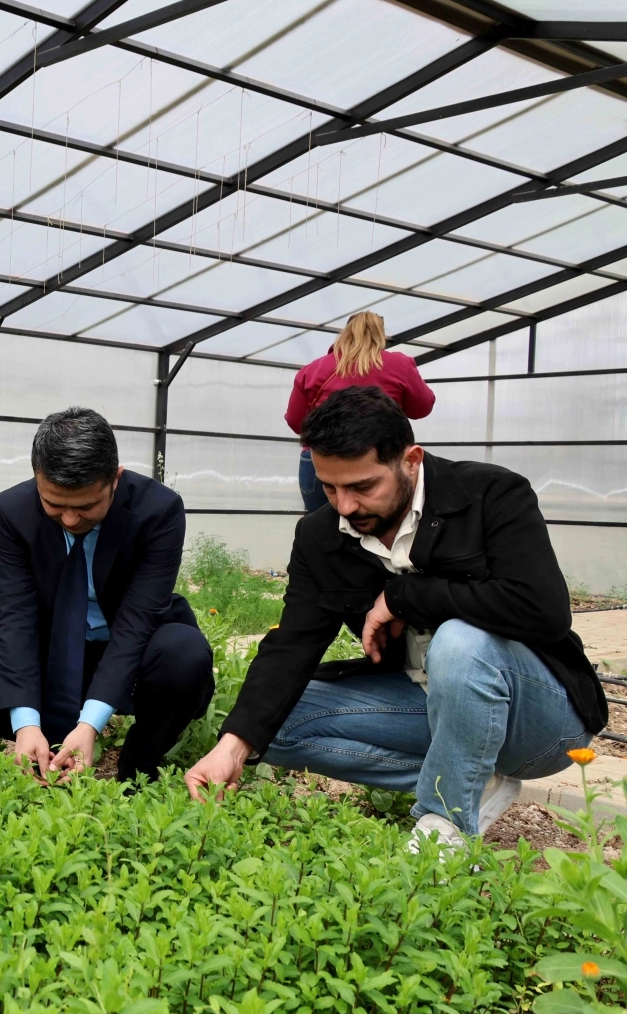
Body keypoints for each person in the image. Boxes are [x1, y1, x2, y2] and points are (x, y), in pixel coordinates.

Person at [184, 387, 604, 849]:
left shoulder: (491, 493)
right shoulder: (320, 536)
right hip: (425, 701)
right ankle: (472, 781)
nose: (344, 506)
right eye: (329, 487)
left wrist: (404, 596)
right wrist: (232, 748)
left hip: (539, 722)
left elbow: (543, 610)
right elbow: (292, 645)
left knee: (461, 642)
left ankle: (443, 828)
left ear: (411, 460)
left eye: (363, 487)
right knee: (266, 725)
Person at [0, 408, 215, 783]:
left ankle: (137, 767)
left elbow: (137, 623)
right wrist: (25, 723)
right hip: (52, 644)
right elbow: (16, 616)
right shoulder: (12, 510)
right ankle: (48, 747)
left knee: (184, 656)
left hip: (131, 643)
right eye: (55, 505)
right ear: (37, 478)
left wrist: (90, 723)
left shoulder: (158, 511)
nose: (71, 519)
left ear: (115, 478)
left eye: (86, 506)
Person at [286, 311, 434, 513]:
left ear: (345, 333)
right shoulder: (399, 365)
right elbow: (422, 408)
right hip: (382, 460)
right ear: (381, 335)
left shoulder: (314, 369)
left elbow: (296, 422)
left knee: (321, 528)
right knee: (381, 527)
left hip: (322, 462)